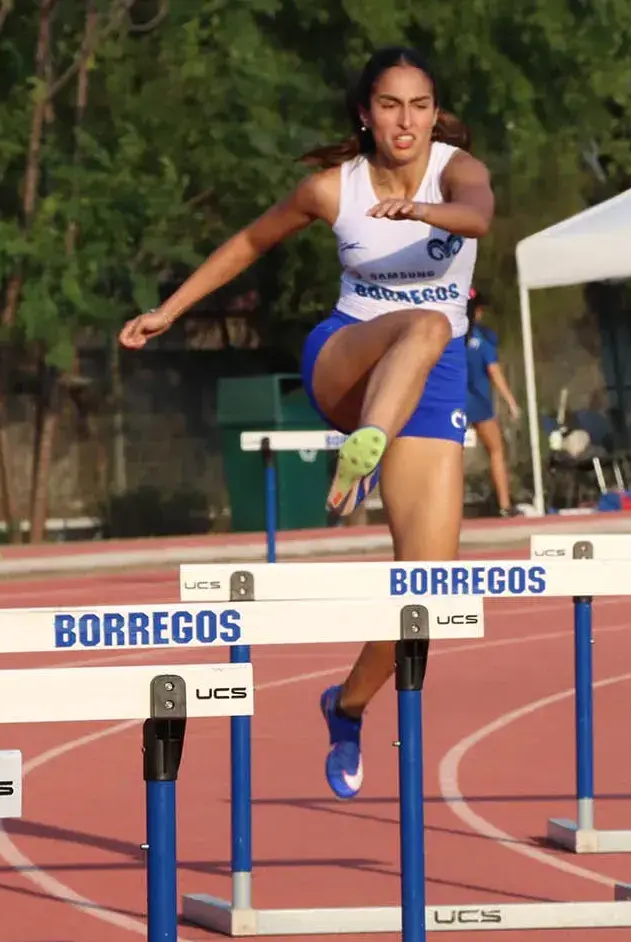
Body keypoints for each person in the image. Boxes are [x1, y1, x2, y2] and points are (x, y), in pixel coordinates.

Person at [116, 45, 493, 800]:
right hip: (348, 362)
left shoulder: (456, 169)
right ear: (366, 113)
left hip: (430, 380)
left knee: (432, 599)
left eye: (419, 106)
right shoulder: (332, 189)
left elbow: (477, 216)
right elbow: (251, 242)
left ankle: (347, 703)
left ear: (434, 114)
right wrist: (169, 310)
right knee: (422, 322)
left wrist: (421, 208)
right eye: (390, 106)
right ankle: (365, 448)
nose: (406, 121)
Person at [462, 289, 521, 515]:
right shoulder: (483, 339)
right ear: (475, 311)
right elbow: (494, 372)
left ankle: (450, 509)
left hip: (455, 404)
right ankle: (504, 505)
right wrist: (511, 402)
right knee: (496, 451)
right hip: (480, 403)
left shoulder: (449, 337)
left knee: (452, 459)